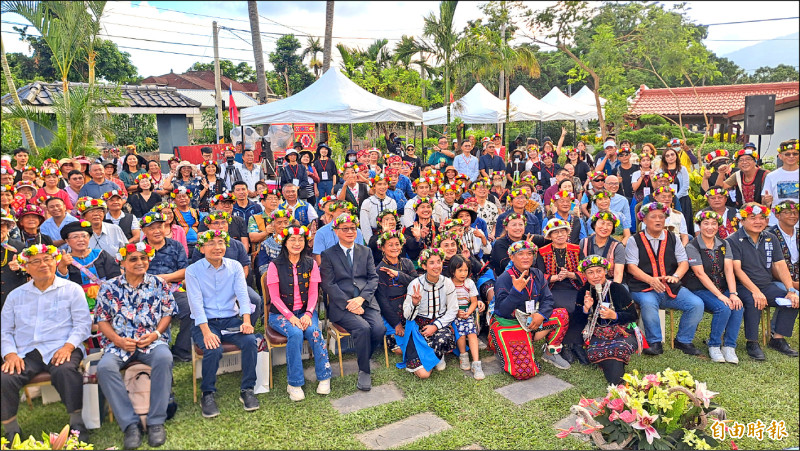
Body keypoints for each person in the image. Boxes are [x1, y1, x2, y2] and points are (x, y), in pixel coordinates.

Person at [1, 244, 91, 443]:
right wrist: (10, 354)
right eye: (36, 261)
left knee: (65, 370)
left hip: (63, 346)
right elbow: (5, 330)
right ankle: (11, 431)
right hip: (26, 351)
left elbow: (83, 324)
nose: (43, 264)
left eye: (48, 259)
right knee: (5, 377)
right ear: (27, 267)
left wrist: (68, 346)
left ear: (56, 261)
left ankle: (77, 424)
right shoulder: (15, 296)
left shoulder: (71, 289)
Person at [94, 242, 174, 449]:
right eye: (134, 259)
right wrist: (118, 340)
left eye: (143, 258)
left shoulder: (159, 283)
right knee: (104, 368)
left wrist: (156, 334)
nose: (140, 262)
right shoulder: (109, 287)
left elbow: (167, 313)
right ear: (122, 263)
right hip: (120, 343)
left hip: (151, 340)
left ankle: (156, 421)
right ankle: (130, 425)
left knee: (164, 358)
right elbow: (102, 320)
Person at [186, 230, 260, 417]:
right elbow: (195, 304)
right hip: (205, 322)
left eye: (220, 242)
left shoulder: (234, 266)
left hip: (230, 319)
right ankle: (208, 393)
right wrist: (206, 332)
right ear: (202, 248)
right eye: (211, 243)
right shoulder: (193, 271)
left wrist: (246, 320)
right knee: (213, 348)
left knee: (251, 341)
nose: (217, 247)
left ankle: (247, 389)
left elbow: (243, 295)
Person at [625, 202, 704, 356]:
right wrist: (651, 280)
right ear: (644, 220)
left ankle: (684, 340)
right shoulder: (635, 240)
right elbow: (631, 267)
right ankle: (655, 343)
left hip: (670, 287)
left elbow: (683, 262)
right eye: (653, 216)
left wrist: (675, 276)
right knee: (648, 303)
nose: (658, 220)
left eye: (661, 217)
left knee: (696, 304)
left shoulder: (673, 238)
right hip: (642, 287)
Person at [319, 214, 385, 391]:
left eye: (352, 228)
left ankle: (364, 355)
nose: (349, 232)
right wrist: (350, 303)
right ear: (336, 231)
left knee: (379, 328)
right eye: (345, 229)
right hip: (343, 306)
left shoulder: (365, 251)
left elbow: (373, 278)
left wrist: (361, 299)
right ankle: (364, 370)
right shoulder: (328, 254)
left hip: (365, 301)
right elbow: (328, 284)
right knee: (362, 328)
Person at [265, 225, 332, 401]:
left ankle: (324, 376)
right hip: (280, 314)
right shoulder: (274, 265)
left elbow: (313, 293)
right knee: (294, 333)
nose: (297, 243)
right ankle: (294, 383)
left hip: (305, 312)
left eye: (300, 239)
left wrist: (308, 314)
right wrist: (291, 317)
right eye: (292, 239)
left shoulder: (310, 263)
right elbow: (274, 298)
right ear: (285, 242)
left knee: (314, 331)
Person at [727, 202, 799, 359]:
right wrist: (755, 291)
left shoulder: (771, 238)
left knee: (792, 301)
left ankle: (778, 338)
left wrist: (791, 290)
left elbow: (780, 265)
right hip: (743, 286)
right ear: (742, 220)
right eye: (752, 218)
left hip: (766, 285)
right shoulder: (733, 239)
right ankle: (752, 342)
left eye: (762, 218)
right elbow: (737, 270)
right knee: (755, 301)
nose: (758, 222)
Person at [492, 240, 571, 378]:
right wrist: (516, 291)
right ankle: (507, 347)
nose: (526, 257)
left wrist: (541, 315)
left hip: (532, 318)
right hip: (510, 323)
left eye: (529, 253)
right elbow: (503, 311)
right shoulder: (504, 278)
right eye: (520, 254)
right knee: (525, 372)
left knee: (561, 314)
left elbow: (548, 299)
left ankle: (550, 353)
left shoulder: (537, 274)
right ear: (512, 257)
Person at [682, 211, 744, 364]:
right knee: (723, 307)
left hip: (721, 285)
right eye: (706, 224)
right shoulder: (692, 246)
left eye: (713, 224)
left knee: (737, 306)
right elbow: (700, 274)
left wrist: (733, 293)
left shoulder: (724, 243)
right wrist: (721, 296)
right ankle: (714, 344)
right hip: (701, 288)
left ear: (718, 225)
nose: (710, 227)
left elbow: (729, 269)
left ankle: (729, 346)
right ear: (699, 225)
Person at [571, 255, 641, 385]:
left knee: (618, 348)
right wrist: (586, 309)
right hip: (596, 334)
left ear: (605, 271)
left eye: (599, 271)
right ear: (585, 275)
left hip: (621, 332)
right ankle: (617, 381)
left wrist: (614, 316)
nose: (596, 276)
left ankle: (617, 383)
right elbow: (577, 321)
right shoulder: (583, 292)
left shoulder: (617, 288)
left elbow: (633, 315)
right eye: (590, 272)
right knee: (599, 351)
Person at [139, 212, 191, 361]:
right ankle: (159, 347)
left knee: (191, 306)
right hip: (146, 292)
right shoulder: (138, 249)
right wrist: (155, 281)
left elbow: (184, 271)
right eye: (151, 228)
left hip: (173, 290)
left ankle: (181, 348)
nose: (156, 231)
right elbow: (131, 272)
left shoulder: (175, 246)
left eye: (159, 227)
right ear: (144, 230)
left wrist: (166, 278)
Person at [399, 248, 458, 378]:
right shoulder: (415, 284)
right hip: (418, 328)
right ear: (424, 266)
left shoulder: (448, 283)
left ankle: (438, 354)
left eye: (438, 261)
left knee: (443, 338)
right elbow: (407, 315)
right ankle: (430, 354)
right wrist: (415, 303)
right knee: (424, 374)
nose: (436, 266)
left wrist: (435, 326)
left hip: (439, 325)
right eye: (431, 262)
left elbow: (453, 310)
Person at [536, 219, 587, 365]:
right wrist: (554, 277)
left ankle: (576, 344)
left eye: (562, 231)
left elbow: (584, 272)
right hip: (553, 289)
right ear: (550, 236)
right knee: (565, 308)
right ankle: (564, 345)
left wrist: (571, 275)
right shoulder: (542, 252)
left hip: (574, 287)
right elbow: (539, 276)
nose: (559, 235)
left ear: (567, 233)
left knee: (581, 306)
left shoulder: (576, 249)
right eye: (555, 232)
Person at [375, 230, 417, 353]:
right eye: (390, 245)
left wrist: (398, 275)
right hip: (391, 312)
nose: (395, 248)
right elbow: (382, 300)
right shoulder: (380, 270)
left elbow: (416, 284)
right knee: (399, 349)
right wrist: (396, 323)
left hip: (409, 308)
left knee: (418, 338)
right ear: (383, 248)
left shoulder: (407, 263)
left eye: (397, 244)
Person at [56, 220, 121, 299]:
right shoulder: (65, 259)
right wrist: (62, 266)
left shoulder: (101, 255)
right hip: (77, 299)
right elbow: (62, 286)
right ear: (67, 241)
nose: (81, 239)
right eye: (75, 237)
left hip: (105, 296)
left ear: (89, 238)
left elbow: (115, 277)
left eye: (84, 236)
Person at [448, 254, 485, 380]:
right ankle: (463, 356)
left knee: (471, 333)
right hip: (454, 314)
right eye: (460, 270)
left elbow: (474, 301)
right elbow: (447, 302)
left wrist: (468, 313)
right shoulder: (448, 283)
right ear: (453, 271)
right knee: (460, 333)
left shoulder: (469, 283)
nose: (463, 273)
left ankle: (476, 363)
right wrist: (457, 312)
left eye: (466, 270)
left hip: (467, 312)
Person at [580, 212, 625, 284]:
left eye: (609, 224)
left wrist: (614, 289)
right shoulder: (584, 242)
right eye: (602, 223)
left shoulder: (618, 246)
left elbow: (618, 274)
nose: (605, 227)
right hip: (589, 282)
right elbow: (581, 270)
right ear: (594, 225)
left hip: (611, 282)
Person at [762, 139, 799, 226]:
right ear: (780, 156)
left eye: (795, 154)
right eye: (787, 154)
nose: (791, 156)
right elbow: (764, 203)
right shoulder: (771, 176)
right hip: (776, 223)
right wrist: (767, 201)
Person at [768, 200, 799, 290]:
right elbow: (773, 265)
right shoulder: (769, 235)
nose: (793, 216)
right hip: (779, 280)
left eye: (795, 213)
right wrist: (792, 284)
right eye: (788, 213)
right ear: (778, 216)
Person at [360, 174, 397, 243]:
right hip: (374, 237)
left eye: (385, 184)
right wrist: (370, 241)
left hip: (389, 236)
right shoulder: (367, 202)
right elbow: (365, 224)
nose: (382, 187)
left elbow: (394, 222)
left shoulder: (392, 202)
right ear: (374, 186)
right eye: (379, 184)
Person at [0, 213, 26, 307]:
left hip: (14, 300)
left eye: (1, 225)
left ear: (7, 228)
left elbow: (30, 273)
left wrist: (20, 268)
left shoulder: (20, 247)